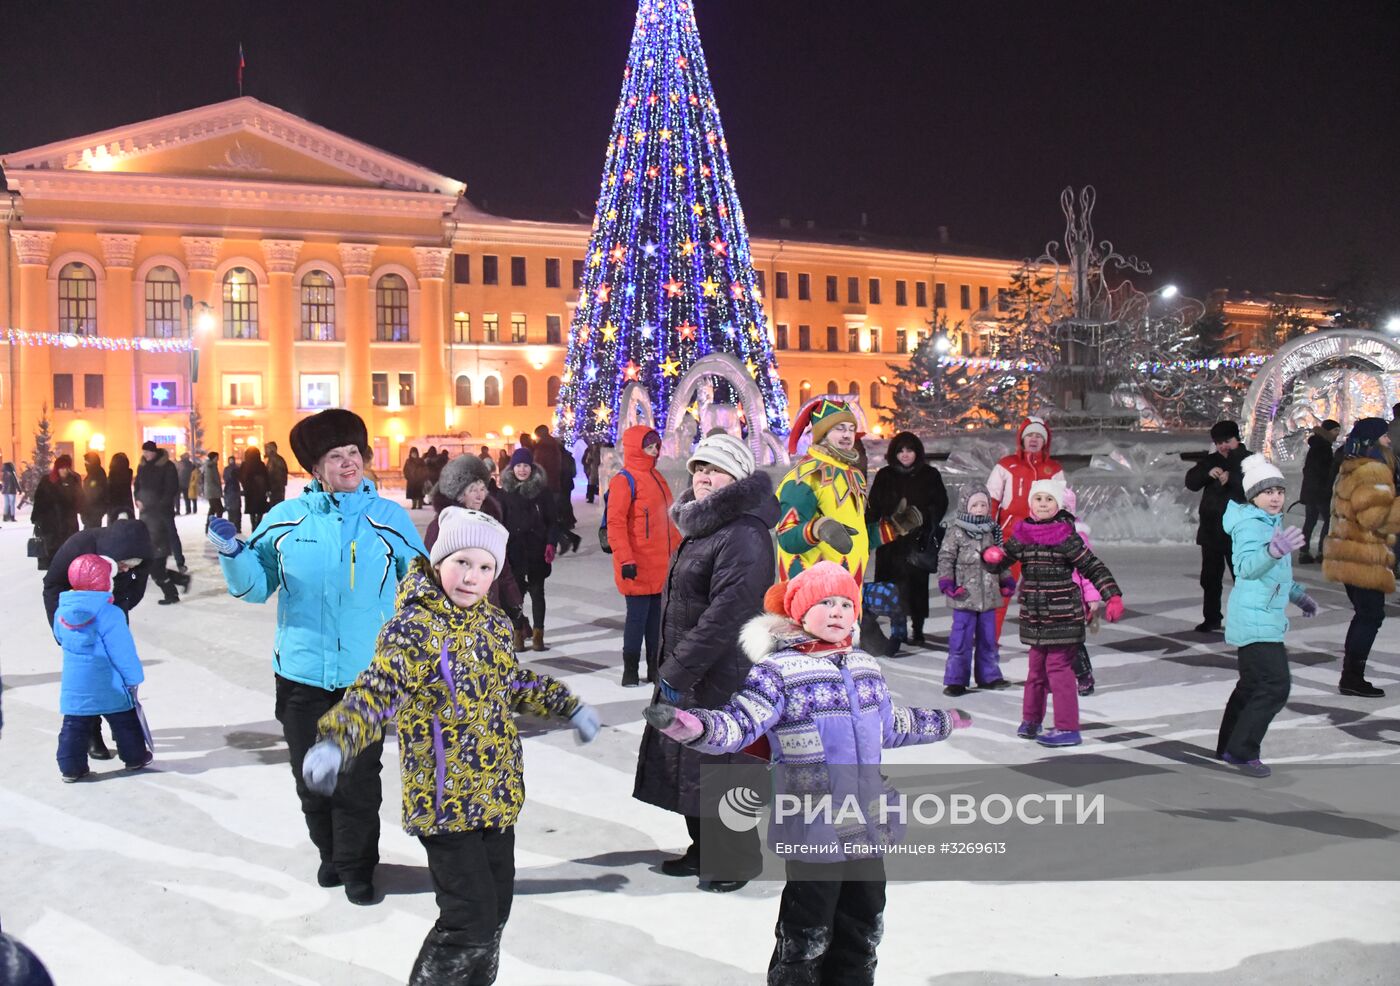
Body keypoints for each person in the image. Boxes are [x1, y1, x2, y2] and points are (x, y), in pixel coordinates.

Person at [303, 507, 599, 984]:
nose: (472, 577)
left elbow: (513, 683)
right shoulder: (414, 628)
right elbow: (379, 687)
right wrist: (338, 742)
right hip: (445, 804)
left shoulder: (496, 625)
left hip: (497, 794)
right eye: (462, 562)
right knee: (469, 920)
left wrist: (568, 706)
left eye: (485, 568)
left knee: (496, 911)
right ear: (439, 560)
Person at [644, 560, 970, 986]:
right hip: (814, 821)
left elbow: (891, 726)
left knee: (864, 918)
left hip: (867, 819)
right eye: (824, 603)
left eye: (844, 603)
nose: (837, 611)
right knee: (808, 925)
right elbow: (741, 723)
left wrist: (943, 721)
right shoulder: (778, 673)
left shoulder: (866, 668)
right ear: (799, 613)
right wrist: (695, 726)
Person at [207, 409, 426, 904]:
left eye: (354, 453)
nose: (350, 464)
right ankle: (330, 854)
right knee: (312, 779)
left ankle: (358, 866)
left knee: (357, 780)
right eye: (336, 455)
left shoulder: (387, 518)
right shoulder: (285, 520)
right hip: (301, 674)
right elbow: (255, 587)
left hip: (366, 677)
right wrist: (233, 554)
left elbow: (420, 589)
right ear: (315, 467)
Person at [634, 433, 777, 893]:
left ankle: (736, 860)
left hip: (724, 673)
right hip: (692, 668)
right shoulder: (703, 527)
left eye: (714, 470)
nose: (703, 477)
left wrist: (676, 670)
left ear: (736, 478)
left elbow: (727, 615)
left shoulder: (744, 534)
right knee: (692, 763)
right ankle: (702, 850)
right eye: (698, 469)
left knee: (723, 766)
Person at [984, 478, 1125, 748]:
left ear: (1058, 504)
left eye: (1049, 500)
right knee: (1035, 672)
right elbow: (1003, 559)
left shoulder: (1065, 534)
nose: (1043, 504)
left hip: (1063, 615)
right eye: (1039, 499)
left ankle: (1067, 728)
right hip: (1035, 617)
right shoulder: (1023, 533)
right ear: (1031, 504)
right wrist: (990, 557)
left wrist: (1112, 596)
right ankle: (1031, 720)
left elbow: (1093, 566)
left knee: (1059, 671)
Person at [1216, 456, 1316, 777]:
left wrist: (1299, 596)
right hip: (1255, 619)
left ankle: (1229, 745)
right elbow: (1246, 568)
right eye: (1267, 492)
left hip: (1261, 616)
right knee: (1275, 685)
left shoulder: (1270, 524)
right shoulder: (1250, 526)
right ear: (1253, 496)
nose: (1275, 497)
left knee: (1251, 685)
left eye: (1278, 491)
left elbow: (1276, 576)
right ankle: (1242, 751)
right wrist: (1273, 551)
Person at [42, 518, 156, 762]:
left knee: (113, 672)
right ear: (112, 555)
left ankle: (122, 728)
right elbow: (52, 584)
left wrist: (113, 614)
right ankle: (93, 734)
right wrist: (62, 630)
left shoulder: (138, 560)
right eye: (124, 564)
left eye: (132, 566)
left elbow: (132, 595)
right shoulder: (79, 545)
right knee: (87, 679)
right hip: (76, 619)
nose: (127, 570)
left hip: (110, 610)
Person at [775, 399, 921, 581]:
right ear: (822, 433)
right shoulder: (806, 476)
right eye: (839, 428)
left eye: (851, 429)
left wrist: (893, 527)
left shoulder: (852, 475)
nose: (847, 435)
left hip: (847, 592)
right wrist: (818, 528)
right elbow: (787, 537)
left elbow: (854, 536)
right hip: (813, 595)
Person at [1323, 418, 1400, 698]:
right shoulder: (1372, 471)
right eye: (1384, 435)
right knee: (1370, 615)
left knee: (1366, 615)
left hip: (1348, 555)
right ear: (1373, 440)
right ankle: (1352, 677)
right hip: (1364, 558)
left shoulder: (1350, 467)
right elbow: (1375, 518)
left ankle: (1352, 675)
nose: (1389, 439)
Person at [608, 425, 679, 686]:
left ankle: (653, 667)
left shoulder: (657, 477)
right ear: (636, 448)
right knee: (636, 619)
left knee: (655, 622)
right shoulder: (624, 480)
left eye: (656, 446)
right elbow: (616, 524)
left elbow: (668, 522)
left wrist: (681, 549)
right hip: (636, 564)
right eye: (649, 447)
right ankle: (630, 669)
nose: (654, 451)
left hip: (660, 563)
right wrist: (626, 559)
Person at [866, 430, 947, 652]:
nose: (905, 454)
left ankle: (918, 629)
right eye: (900, 450)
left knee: (917, 588)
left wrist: (927, 524)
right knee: (892, 587)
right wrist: (871, 530)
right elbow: (873, 505)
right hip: (890, 540)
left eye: (909, 449)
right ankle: (897, 629)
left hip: (917, 540)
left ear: (917, 452)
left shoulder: (930, 474)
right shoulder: (885, 475)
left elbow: (940, 503)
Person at [986, 416, 1065, 639]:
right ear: (1021, 438)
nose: (1034, 439)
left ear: (1045, 442)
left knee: (1041, 595)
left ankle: (1043, 643)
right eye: (1030, 434)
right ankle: (990, 641)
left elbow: (1063, 505)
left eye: (1039, 436)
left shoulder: (1054, 469)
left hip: (1042, 540)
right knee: (1002, 592)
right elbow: (992, 499)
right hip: (1010, 538)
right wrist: (990, 531)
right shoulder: (1006, 465)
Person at [426, 454, 525, 619]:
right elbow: (428, 570)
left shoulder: (489, 522)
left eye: (482, 489)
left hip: (488, 608)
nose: (480, 496)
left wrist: (513, 598)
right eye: (473, 490)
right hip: (453, 610)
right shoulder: (440, 526)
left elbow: (503, 565)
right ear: (459, 493)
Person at [936, 485, 1013, 696]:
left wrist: (1006, 581)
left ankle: (989, 676)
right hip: (964, 595)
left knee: (988, 639)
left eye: (983, 505)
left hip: (988, 595)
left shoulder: (992, 530)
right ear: (965, 506)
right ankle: (956, 680)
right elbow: (945, 558)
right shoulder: (956, 531)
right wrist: (946, 582)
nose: (979, 509)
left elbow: (1000, 558)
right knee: (960, 638)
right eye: (975, 505)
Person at [1184, 420, 1250, 634]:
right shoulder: (1210, 460)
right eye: (1219, 442)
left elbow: (1260, 487)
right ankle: (1211, 618)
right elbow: (1191, 482)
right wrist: (1206, 473)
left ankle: (1246, 619)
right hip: (1212, 531)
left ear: (1237, 439)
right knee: (1210, 579)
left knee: (1242, 579)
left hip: (1238, 532)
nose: (1223, 446)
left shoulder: (1250, 460)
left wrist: (1233, 478)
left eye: (1227, 441)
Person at [498, 447, 558, 652]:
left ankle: (538, 635)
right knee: (515, 596)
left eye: (526, 466)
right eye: (518, 466)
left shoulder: (542, 492)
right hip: (513, 551)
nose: (522, 470)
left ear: (531, 468)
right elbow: (498, 522)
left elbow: (552, 521)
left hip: (536, 550)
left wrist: (550, 543)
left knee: (537, 593)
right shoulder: (504, 493)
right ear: (512, 468)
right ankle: (518, 634)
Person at [134, 442, 190, 604]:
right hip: (146, 513)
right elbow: (137, 485)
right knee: (152, 551)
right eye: (144, 452)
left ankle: (179, 565)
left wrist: (159, 504)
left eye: (148, 452)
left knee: (167, 540)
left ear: (154, 452)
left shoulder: (167, 466)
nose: (146, 455)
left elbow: (171, 488)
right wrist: (137, 499)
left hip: (161, 512)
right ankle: (179, 579)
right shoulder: (142, 466)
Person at [1299, 419, 1341, 564]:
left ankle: (1303, 552)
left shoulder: (1317, 445)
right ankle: (1322, 552)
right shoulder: (1324, 447)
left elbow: (1308, 470)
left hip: (1310, 490)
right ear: (1328, 431)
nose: (1337, 435)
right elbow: (1324, 471)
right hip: (1320, 491)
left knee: (1310, 521)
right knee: (1328, 520)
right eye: (1335, 431)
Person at [31, 454, 81, 570]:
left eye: (66, 467)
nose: (64, 470)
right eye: (61, 468)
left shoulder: (73, 480)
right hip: (49, 525)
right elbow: (38, 500)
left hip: (68, 524)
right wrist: (36, 517)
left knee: (68, 555)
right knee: (51, 556)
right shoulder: (46, 481)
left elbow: (79, 501)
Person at [240, 446, 271, 531]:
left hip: (249, 492)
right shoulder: (260, 464)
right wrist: (268, 489)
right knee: (260, 510)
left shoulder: (244, 464)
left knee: (252, 512)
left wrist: (245, 486)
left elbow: (241, 477)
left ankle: (253, 526)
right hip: (260, 491)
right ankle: (258, 525)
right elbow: (266, 477)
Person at [105, 452, 135, 524]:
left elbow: (109, 493)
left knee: (113, 530)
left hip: (114, 507)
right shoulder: (128, 474)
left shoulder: (112, 476)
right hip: (128, 506)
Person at [79, 452, 107, 530]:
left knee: (91, 535)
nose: (85, 465)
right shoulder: (94, 473)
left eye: (87, 462)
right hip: (91, 512)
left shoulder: (97, 474)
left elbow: (94, 494)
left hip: (93, 512)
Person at [202, 451, 224, 530]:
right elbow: (211, 479)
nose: (218, 459)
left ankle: (209, 526)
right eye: (217, 457)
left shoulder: (212, 465)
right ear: (214, 457)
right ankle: (217, 527)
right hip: (212, 491)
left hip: (212, 491)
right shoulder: (210, 466)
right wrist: (217, 488)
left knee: (213, 508)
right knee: (219, 509)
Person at [222, 452, 243, 532]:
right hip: (231, 491)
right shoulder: (228, 469)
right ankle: (234, 526)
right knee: (232, 510)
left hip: (234, 491)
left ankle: (237, 527)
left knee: (236, 510)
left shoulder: (236, 468)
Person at [264, 440, 289, 506]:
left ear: (271, 449)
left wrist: (269, 487)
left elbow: (270, 473)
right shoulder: (277, 459)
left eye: (267, 448)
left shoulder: (273, 459)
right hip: (277, 488)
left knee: (276, 507)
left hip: (275, 488)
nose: (265, 450)